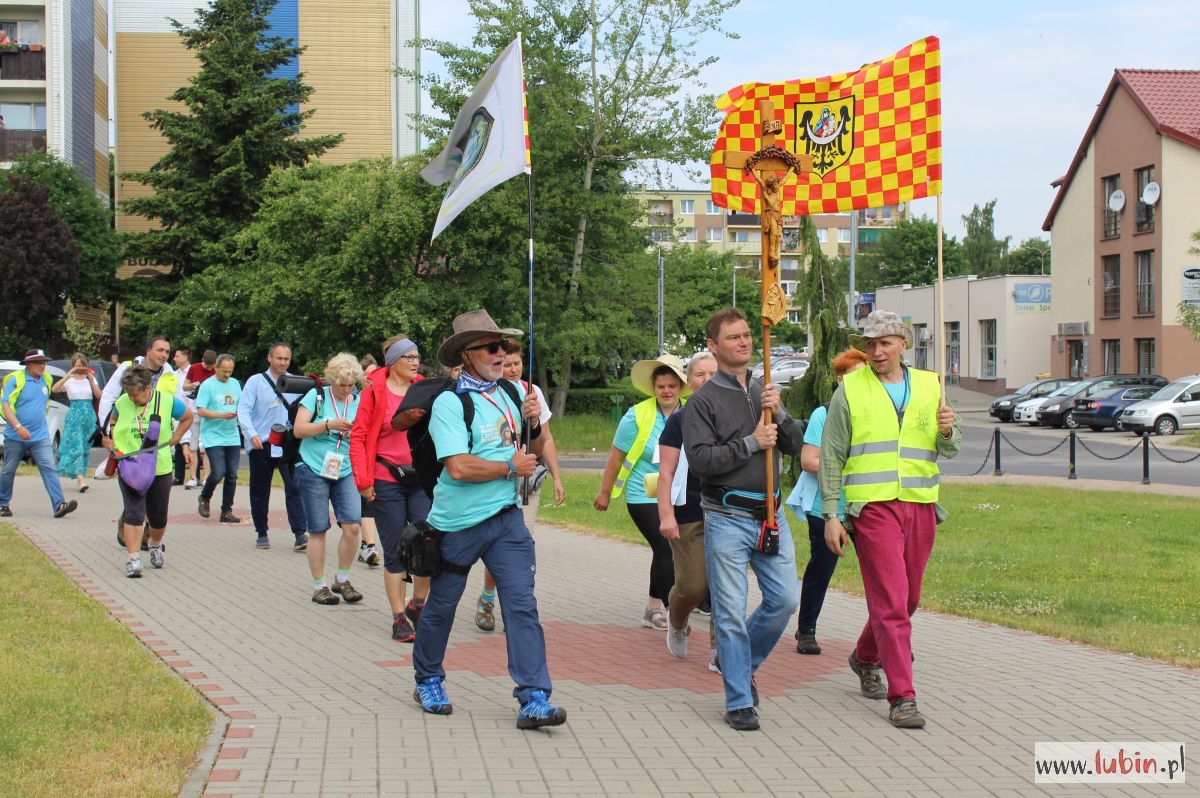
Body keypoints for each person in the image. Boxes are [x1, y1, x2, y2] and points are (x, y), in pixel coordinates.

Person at [411, 309, 566, 730]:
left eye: (504, 346)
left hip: (506, 521)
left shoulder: (512, 394)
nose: (502, 354)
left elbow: (528, 447)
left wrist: (533, 421)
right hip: (457, 524)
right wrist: (507, 469)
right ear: (467, 354)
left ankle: (533, 697)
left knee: (522, 607)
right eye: (492, 347)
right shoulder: (449, 403)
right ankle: (427, 678)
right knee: (441, 607)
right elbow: (458, 468)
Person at [819, 310, 959, 730]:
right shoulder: (850, 391)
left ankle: (864, 656)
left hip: (920, 504)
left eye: (884, 343)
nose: (876, 351)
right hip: (873, 508)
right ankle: (903, 697)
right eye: (870, 344)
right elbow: (831, 455)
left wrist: (948, 430)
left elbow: (949, 450)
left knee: (909, 599)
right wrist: (831, 513)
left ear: (903, 344)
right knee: (892, 603)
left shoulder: (931, 385)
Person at [683, 308, 804, 732]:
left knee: (785, 600)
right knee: (730, 612)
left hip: (771, 515)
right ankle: (738, 698)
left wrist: (781, 413)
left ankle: (739, 662)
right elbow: (700, 462)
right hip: (726, 517)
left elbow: (794, 446)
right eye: (733, 337)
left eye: (748, 334)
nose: (745, 342)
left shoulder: (763, 388)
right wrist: (750, 443)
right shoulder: (702, 402)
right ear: (714, 347)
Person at [473, 338, 565, 633]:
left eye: (516, 364)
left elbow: (545, 439)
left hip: (527, 481)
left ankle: (516, 605)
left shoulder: (532, 392)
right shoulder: (490, 391)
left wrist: (557, 477)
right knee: (496, 544)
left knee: (521, 543)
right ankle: (488, 596)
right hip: (497, 479)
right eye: (506, 364)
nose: (511, 369)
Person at [594, 354, 689, 630]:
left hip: (675, 494)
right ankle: (675, 615)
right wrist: (604, 492)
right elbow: (615, 458)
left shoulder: (691, 412)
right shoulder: (636, 415)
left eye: (672, 385)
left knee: (664, 551)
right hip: (642, 494)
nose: (667, 391)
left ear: (681, 387)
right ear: (653, 388)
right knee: (664, 547)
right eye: (661, 386)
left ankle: (651, 609)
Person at [787, 348, 868, 656]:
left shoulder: (874, 411)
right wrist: (849, 465)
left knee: (880, 572)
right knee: (822, 567)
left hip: (865, 503)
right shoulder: (824, 413)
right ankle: (806, 630)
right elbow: (809, 460)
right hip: (826, 503)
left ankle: (886, 636)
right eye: (854, 376)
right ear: (839, 379)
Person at [350, 335, 429, 640]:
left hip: (420, 477)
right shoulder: (374, 393)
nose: (415, 362)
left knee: (426, 543)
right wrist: (363, 481)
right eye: (408, 357)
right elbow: (358, 438)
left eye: (417, 357)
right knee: (396, 549)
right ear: (393, 362)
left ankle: (418, 606)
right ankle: (398, 617)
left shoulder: (424, 389)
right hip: (385, 476)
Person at [656, 351, 718, 662]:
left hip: (727, 511)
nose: (706, 380)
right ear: (689, 382)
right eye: (699, 375)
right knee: (693, 585)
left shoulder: (733, 414)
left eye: (712, 373)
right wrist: (665, 513)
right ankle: (677, 620)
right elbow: (665, 472)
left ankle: (722, 649)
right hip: (688, 512)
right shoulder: (679, 420)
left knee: (724, 584)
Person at [110, 364, 193, 577]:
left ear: (148, 388)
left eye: (136, 394)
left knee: (158, 517)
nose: (132, 398)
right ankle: (133, 558)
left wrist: (176, 438)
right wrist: (110, 439)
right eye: (128, 394)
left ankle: (155, 545)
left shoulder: (166, 401)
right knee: (134, 512)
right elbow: (112, 422)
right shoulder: (122, 402)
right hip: (130, 467)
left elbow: (188, 417)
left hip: (160, 468)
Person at [293, 354, 364, 605]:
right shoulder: (317, 396)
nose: (347, 390)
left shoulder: (359, 400)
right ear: (332, 381)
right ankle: (319, 586)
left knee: (353, 525)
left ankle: (342, 579)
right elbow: (299, 429)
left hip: (345, 468)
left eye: (351, 384)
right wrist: (328, 424)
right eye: (342, 385)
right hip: (314, 466)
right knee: (318, 529)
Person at [236, 342, 308, 551]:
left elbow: (304, 410)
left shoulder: (296, 383)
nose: (283, 362)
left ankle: (300, 533)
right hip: (263, 443)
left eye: (286, 359)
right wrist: (252, 435)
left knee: (294, 488)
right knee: (260, 490)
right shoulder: (255, 382)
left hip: (287, 444)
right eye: (279, 358)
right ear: (270, 358)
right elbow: (244, 410)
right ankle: (262, 532)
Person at [0, 349, 78, 519]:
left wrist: (68, 376)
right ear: (28, 364)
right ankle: (3, 504)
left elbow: (54, 390)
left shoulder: (47, 378)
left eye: (44, 362)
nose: (43, 365)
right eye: (39, 362)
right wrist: (19, 427)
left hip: (40, 436)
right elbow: (5, 404)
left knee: (49, 468)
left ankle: (59, 504)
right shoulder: (15, 379)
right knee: (8, 470)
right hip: (15, 435)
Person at [98, 336, 187, 426]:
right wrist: (107, 431)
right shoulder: (127, 367)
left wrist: (179, 439)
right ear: (148, 351)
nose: (164, 355)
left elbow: (178, 411)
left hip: (156, 435)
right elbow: (108, 397)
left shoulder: (172, 377)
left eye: (167, 352)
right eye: (160, 350)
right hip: (126, 432)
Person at [195, 354, 242, 523]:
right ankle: (204, 497)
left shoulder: (235, 384)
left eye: (230, 371)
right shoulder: (207, 386)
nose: (227, 375)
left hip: (232, 435)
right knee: (218, 472)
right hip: (213, 435)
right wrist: (221, 415)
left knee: (232, 474)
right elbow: (201, 410)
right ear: (216, 368)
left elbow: (242, 405)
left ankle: (226, 511)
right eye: (224, 371)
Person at [52, 352, 101, 493]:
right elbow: (55, 389)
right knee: (76, 446)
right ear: (72, 366)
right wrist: (68, 375)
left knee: (85, 447)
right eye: (77, 365)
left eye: (82, 365)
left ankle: (80, 475)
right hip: (74, 415)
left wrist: (91, 378)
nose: (79, 368)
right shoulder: (69, 380)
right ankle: (81, 480)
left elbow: (98, 394)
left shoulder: (89, 378)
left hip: (88, 416)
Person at [354, 353, 383, 568]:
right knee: (365, 503)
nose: (371, 377)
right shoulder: (354, 397)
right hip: (355, 456)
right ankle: (369, 546)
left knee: (372, 504)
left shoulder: (382, 396)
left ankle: (367, 545)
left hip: (378, 457)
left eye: (374, 373)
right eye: (367, 374)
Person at [184, 349, 217, 486]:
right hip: (194, 409)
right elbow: (184, 386)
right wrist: (193, 385)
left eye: (212, 366)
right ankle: (193, 477)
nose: (209, 368)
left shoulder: (216, 371)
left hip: (208, 410)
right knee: (193, 444)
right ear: (202, 360)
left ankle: (206, 477)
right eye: (207, 366)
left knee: (206, 444)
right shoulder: (194, 368)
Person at [171, 347, 193, 486]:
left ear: (185, 357)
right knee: (178, 442)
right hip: (177, 412)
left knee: (192, 445)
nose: (174, 358)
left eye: (177, 356)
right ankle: (179, 476)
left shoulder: (193, 372)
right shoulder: (173, 374)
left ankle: (194, 475)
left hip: (191, 412)